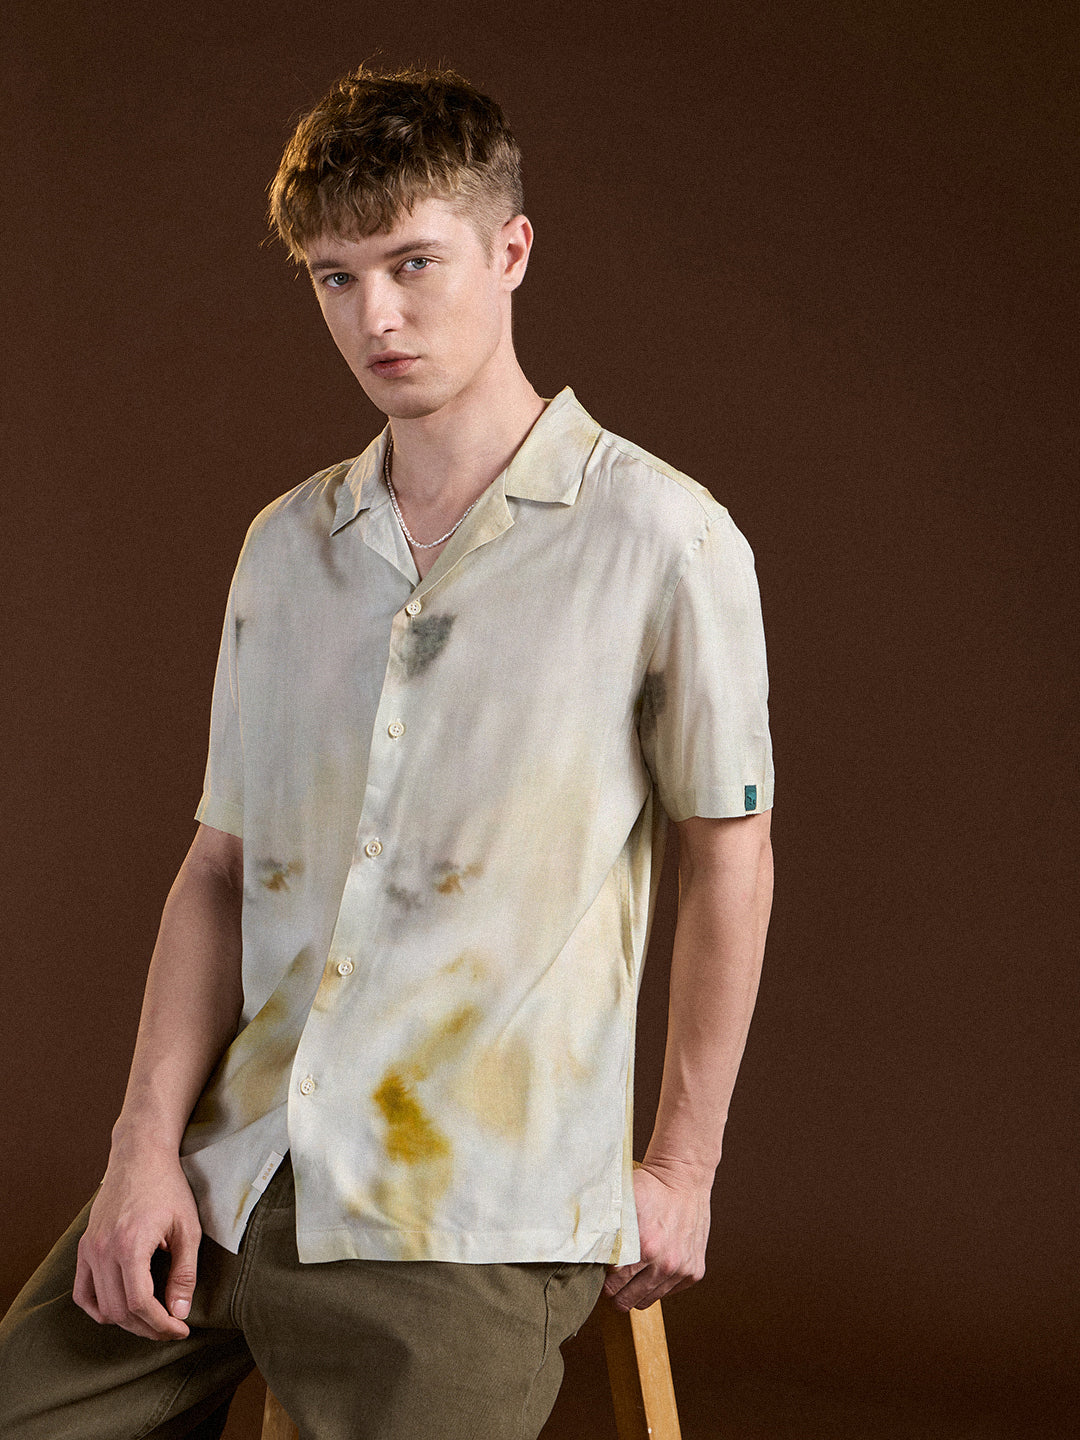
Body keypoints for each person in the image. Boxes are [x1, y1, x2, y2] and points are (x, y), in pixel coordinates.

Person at [0, 61, 774, 1440]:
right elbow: (220, 870)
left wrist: (683, 1168)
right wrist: (140, 1152)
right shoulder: (287, 549)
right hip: (230, 1177)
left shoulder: (665, 541)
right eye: (336, 278)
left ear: (511, 250)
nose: (377, 317)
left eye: (414, 263)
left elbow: (731, 859)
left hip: (464, 1218)